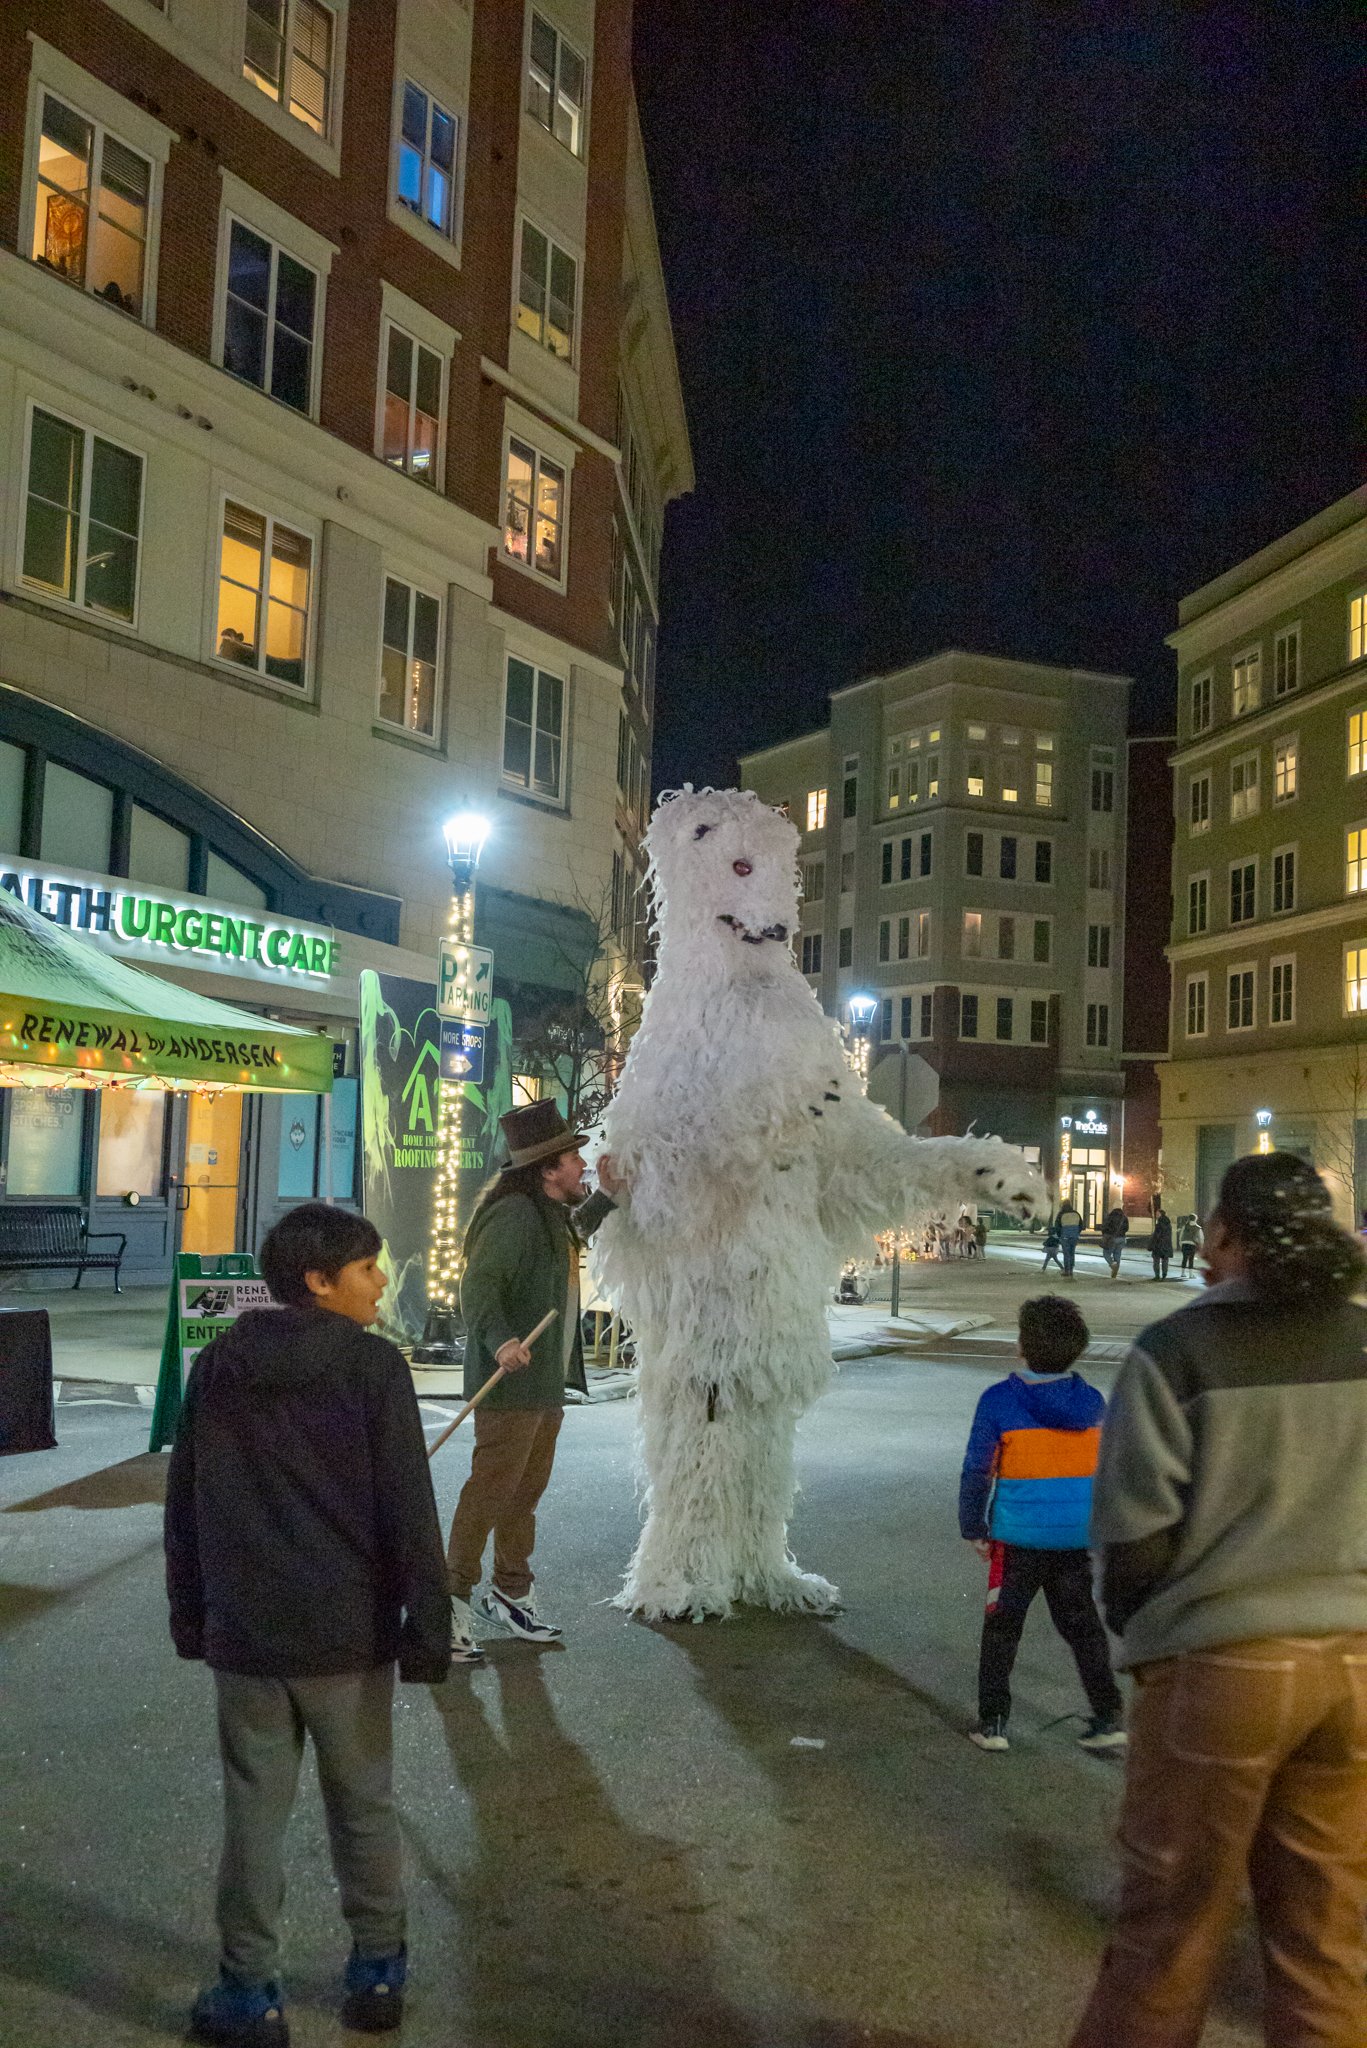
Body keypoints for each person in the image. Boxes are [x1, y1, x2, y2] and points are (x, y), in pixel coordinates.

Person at [1069, 1153, 1367, 2048]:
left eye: (1210, 1230)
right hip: (1356, 1665)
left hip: (1225, 1665)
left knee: (1170, 1929)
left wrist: (1148, 1631)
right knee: (1323, 1941)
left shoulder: (1177, 1351)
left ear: (1231, 1235)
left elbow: (1131, 1537)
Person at [165, 1202, 450, 2046]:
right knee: (363, 1803)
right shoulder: (372, 1369)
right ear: (318, 1281)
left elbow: (187, 1501)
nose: (381, 1281)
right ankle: (377, 1970)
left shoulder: (218, 1364)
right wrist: (425, 1627)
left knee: (252, 1812)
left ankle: (249, 1993)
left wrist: (192, 1613)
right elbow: (408, 1507)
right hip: (345, 1633)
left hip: (247, 1632)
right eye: (367, 1269)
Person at [446, 1100, 619, 1661]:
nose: (582, 1166)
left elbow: (572, 1233)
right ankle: (447, 1604)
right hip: (511, 1384)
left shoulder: (545, 1213)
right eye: (574, 1159)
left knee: (523, 1495)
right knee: (490, 1494)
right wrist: (500, 1341)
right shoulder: (514, 1217)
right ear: (547, 1169)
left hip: (543, 1384)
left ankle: (510, 1594)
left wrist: (608, 1195)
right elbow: (477, 1289)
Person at [959, 1295, 1125, 1754]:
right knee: (1083, 1628)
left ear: (1021, 1346)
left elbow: (978, 1469)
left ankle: (993, 1722)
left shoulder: (999, 1401)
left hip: (1016, 1538)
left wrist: (974, 1526)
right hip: (1075, 1536)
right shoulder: (1093, 1402)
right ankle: (1108, 1715)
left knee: (1002, 1628)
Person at [1056, 1198, 1084, 1277]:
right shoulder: (1076, 1213)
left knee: (1066, 1253)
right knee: (1072, 1253)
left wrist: (1059, 1235)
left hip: (1065, 1236)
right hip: (1074, 1236)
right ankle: (1071, 1269)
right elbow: (1081, 1225)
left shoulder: (1061, 1214)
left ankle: (1066, 1270)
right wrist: (1076, 1233)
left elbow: (1057, 1226)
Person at [1100, 1205, 1128, 1280]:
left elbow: (1105, 1227)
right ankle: (1115, 1270)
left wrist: (1105, 1234)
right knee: (1117, 1254)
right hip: (1122, 1238)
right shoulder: (1124, 1218)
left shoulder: (1110, 1217)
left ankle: (1112, 1264)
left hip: (1112, 1238)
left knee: (1106, 1253)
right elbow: (1126, 1228)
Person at [1149, 1204, 1173, 1280]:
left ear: (1161, 1214)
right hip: (1166, 1244)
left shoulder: (1159, 1223)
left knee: (1156, 1260)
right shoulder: (1168, 1223)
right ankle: (1164, 1275)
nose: (1156, 1215)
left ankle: (1157, 1275)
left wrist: (1152, 1243)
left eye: (1157, 1214)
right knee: (1165, 1260)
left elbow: (1157, 1235)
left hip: (1158, 1245)